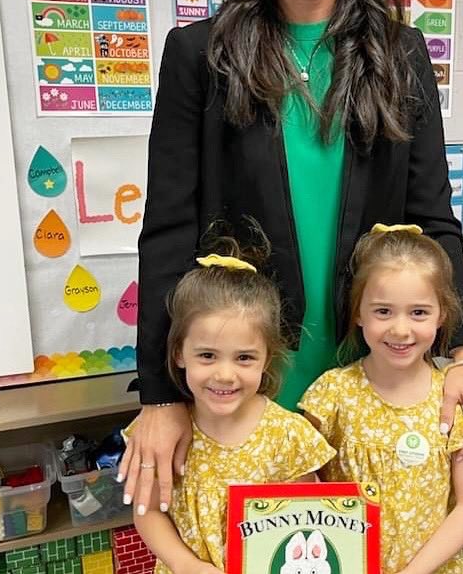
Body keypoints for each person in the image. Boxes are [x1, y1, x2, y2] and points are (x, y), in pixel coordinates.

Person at [120, 0, 463, 511]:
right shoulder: (199, 56)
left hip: (369, 389)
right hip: (242, 394)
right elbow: (168, 231)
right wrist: (163, 394)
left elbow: (431, 220)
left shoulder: (399, 57)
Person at [129, 234, 336, 573]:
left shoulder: (289, 435)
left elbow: (305, 524)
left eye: (244, 358)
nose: (225, 375)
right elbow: (147, 511)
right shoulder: (162, 434)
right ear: (180, 352)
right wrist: (185, 564)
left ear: (267, 358)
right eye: (207, 355)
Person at [300, 225, 463, 574]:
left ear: (441, 314)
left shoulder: (451, 402)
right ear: (358, 312)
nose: (400, 330)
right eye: (383, 312)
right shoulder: (331, 394)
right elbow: (300, 485)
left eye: (418, 313)